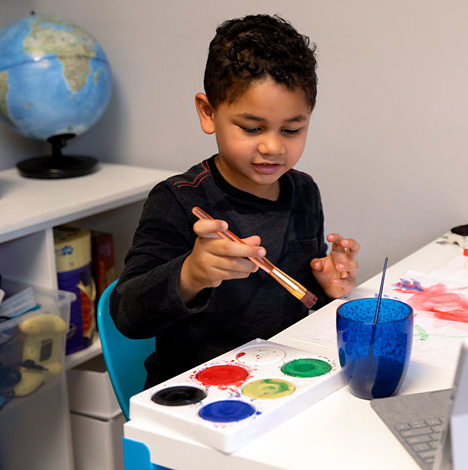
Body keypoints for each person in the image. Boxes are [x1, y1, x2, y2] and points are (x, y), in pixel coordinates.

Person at [111, 14, 359, 388]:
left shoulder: (304, 191)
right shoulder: (179, 200)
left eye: (292, 129)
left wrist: (327, 289)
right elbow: (127, 316)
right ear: (209, 112)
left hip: (280, 384)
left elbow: (300, 308)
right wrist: (190, 274)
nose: (272, 147)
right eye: (252, 128)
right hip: (200, 396)